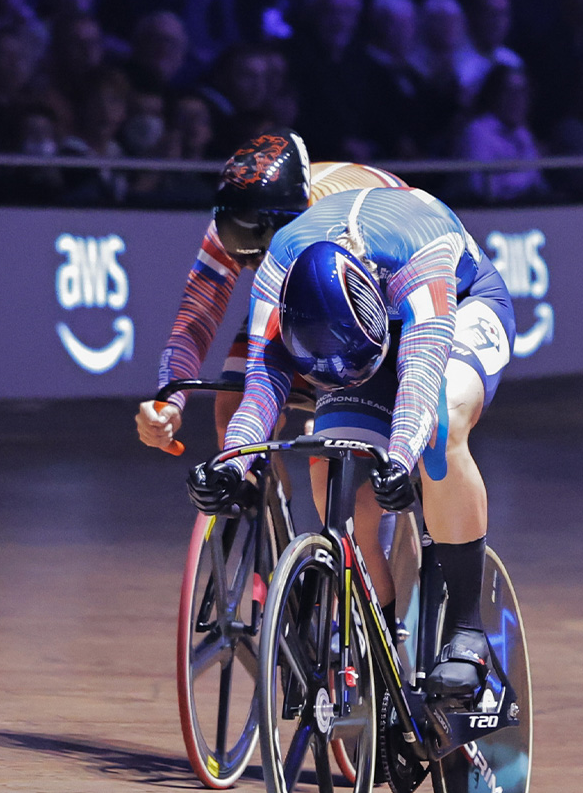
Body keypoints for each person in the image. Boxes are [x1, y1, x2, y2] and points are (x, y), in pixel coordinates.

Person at [184, 185, 515, 699]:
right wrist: (231, 464)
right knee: (331, 469)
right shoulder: (277, 272)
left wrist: (400, 457)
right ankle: (379, 664)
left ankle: (466, 631)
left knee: (440, 430)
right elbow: (261, 391)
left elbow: (420, 383)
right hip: (355, 326)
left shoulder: (420, 254)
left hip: (459, 303)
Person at [138, 133, 410, 450]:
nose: (257, 267)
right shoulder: (232, 223)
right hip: (305, 291)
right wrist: (169, 402)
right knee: (233, 412)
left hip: (376, 286)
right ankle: (254, 488)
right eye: (245, 259)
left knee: (345, 433)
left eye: (265, 254)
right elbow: (197, 317)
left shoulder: (341, 223)